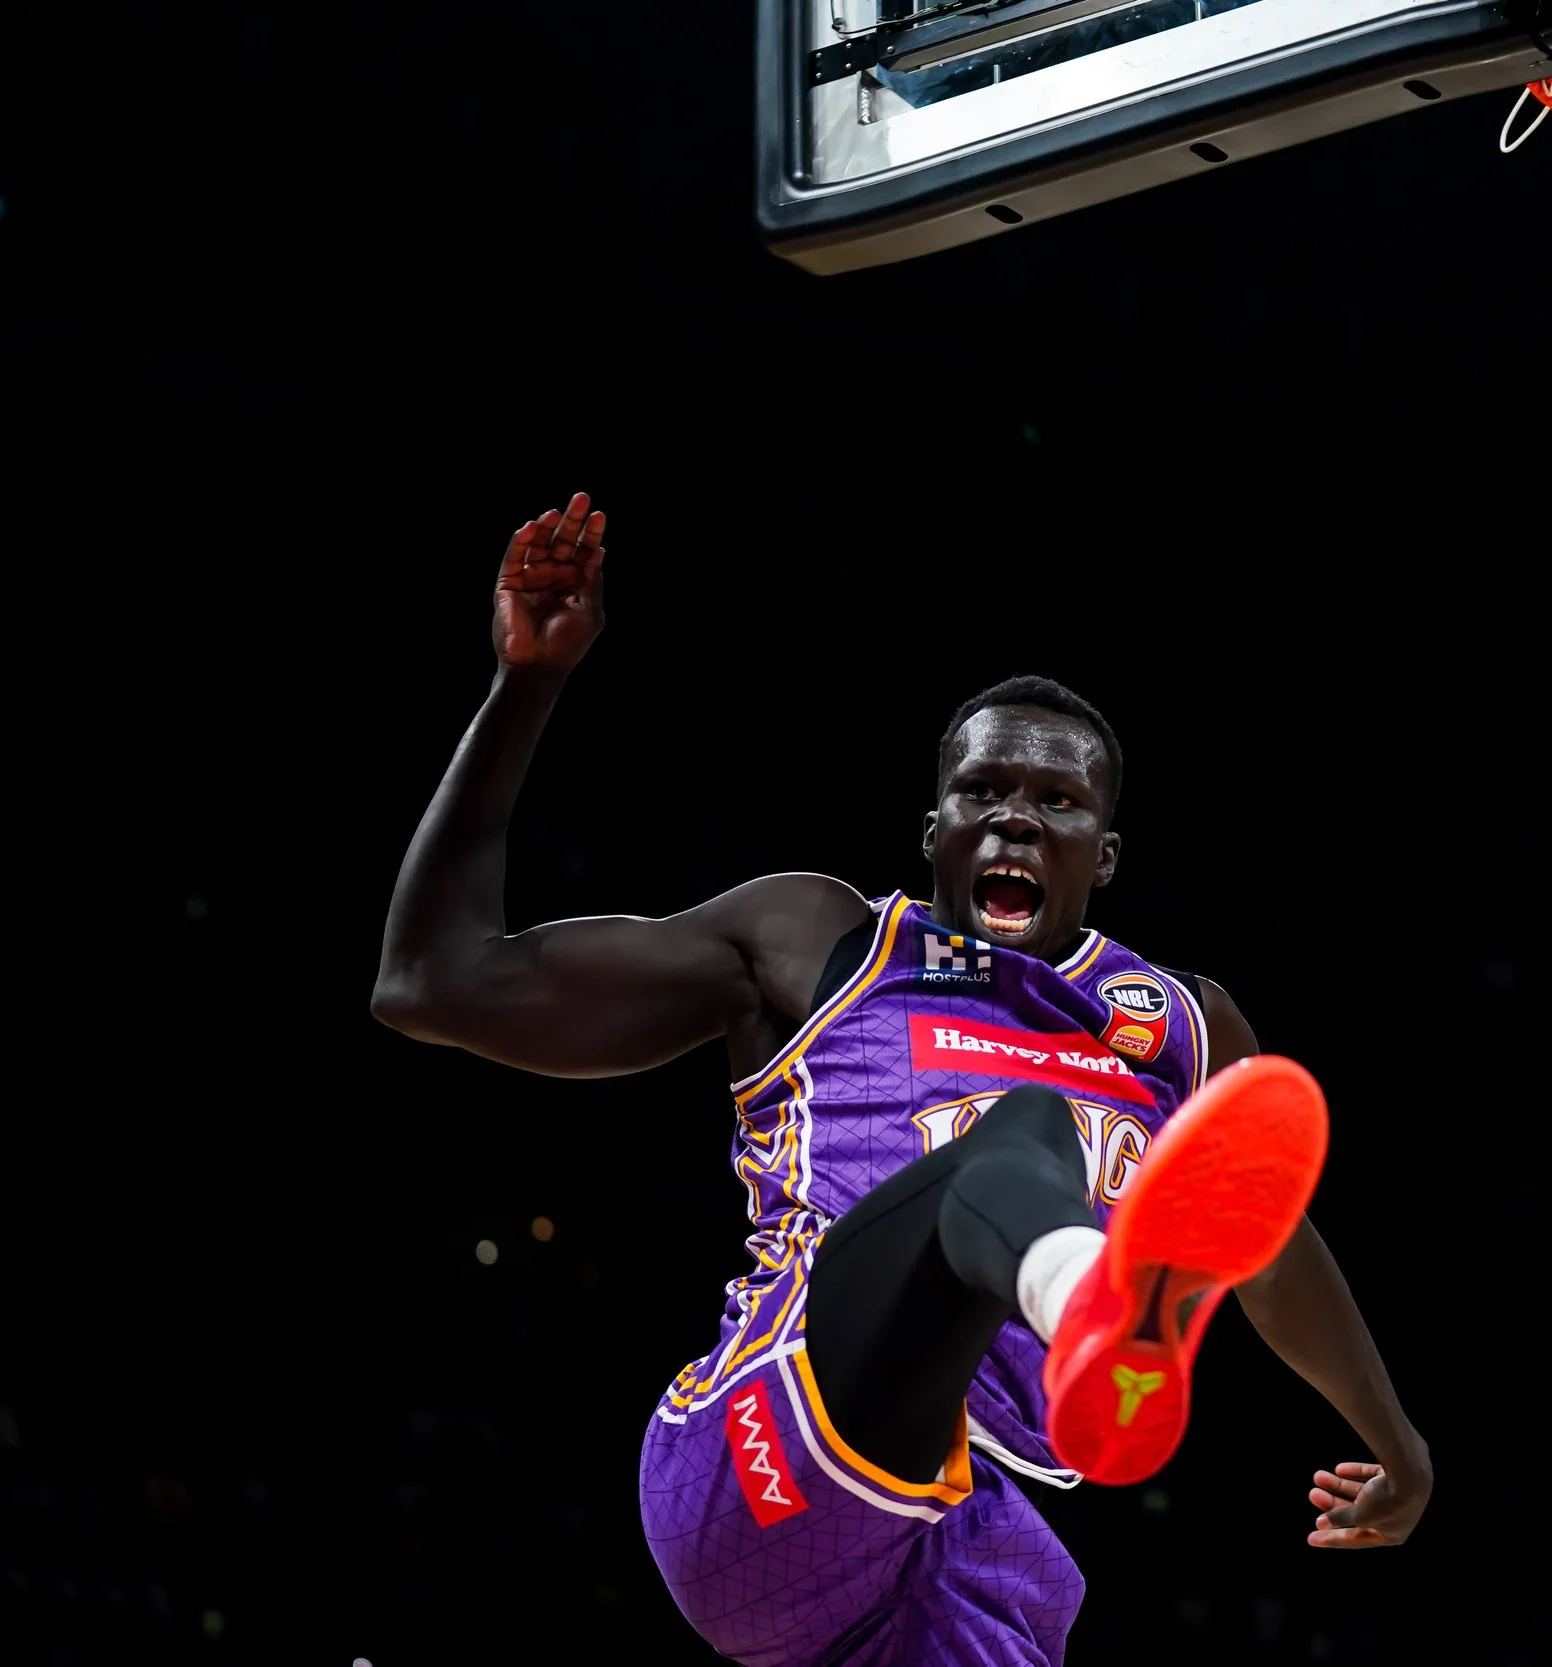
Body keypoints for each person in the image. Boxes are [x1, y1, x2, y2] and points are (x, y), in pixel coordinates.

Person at [370, 493, 1431, 1666]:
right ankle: (1094, 1302)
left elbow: (1266, 1238)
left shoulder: (1181, 1019)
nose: (1015, 819)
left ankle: (1102, 1315)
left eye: (1056, 801)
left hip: (961, 1550)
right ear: (934, 831)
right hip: (762, 1454)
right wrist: (526, 683)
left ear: (1103, 855)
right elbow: (434, 981)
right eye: (982, 794)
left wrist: (1394, 1439)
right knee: (1018, 1138)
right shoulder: (816, 941)